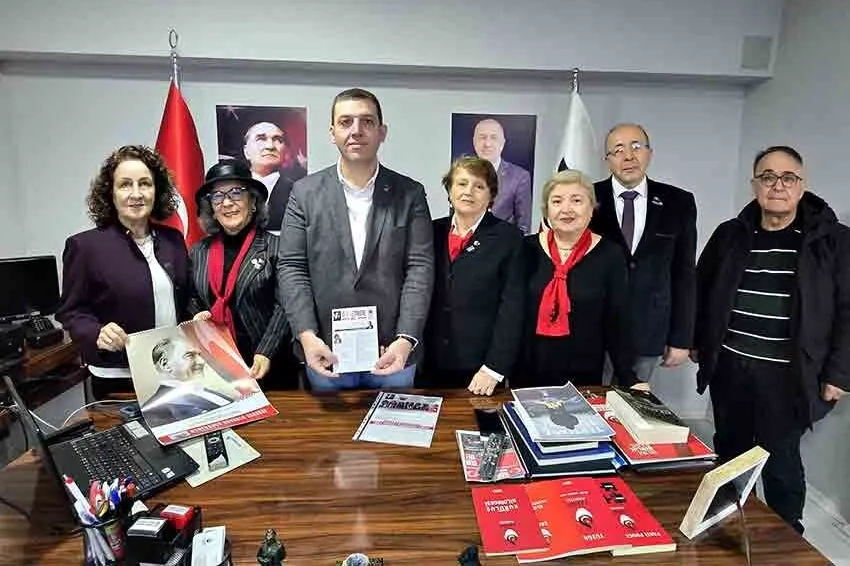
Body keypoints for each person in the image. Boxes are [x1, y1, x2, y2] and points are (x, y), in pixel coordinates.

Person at [692, 145, 850, 534]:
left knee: (779, 459)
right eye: (767, 177)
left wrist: (840, 373)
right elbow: (701, 287)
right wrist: (698, 340)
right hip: (730, 366)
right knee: (730, 449)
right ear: (755, 185)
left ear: (801, 185)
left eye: (788, 177)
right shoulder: (730, 234)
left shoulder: (834, 240)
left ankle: (786, 535)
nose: (777, 185)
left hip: (788, 375)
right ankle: (727, 522)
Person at [280, 88, 434, 390]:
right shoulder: (304, 193)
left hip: (392, 354)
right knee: (325, 425)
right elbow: (291, 267)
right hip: (325, 353)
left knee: (393, 423)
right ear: (332, 132)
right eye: (345, 122)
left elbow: (420, 268)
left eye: (367, 121)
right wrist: (307, 335)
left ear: (382, 132)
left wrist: (405, 339)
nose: (356, 130)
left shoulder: (410, 193)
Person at [56, 145, 189, 399]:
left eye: (145, 184)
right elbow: (71, 312)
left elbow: (184, 298)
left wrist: (199, 317)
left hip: (174, 370)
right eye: (125, 184)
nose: (136, 194)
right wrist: (96, 332)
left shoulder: (173, 240)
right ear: (111, 192)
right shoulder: (85, 246)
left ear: (157, 190)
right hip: (118, 379)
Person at [589, 123, 696, 383]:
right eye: (618, 150)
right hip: (594, 330)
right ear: (607, 160)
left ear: (649, 153)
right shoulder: (587, 198)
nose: (628, 156)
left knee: (635, 403)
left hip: (649, 330)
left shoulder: (678, 202)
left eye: (636, 147)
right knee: (590, 402)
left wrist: (681, 338)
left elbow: (684, 274)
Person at [516, 170, 636, 388]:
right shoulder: (525, 249)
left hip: (583, 373)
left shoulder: (610, 255)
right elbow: (509, 314)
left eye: (576, 200)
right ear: (546, 210)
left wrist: (628, 376)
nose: (566, 209)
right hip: (527, 368)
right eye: (557, 201)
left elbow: (618, 320)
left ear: (591, 209)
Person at [189, 160, 298, 390]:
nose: (227, 202)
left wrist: (266, 351)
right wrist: (197, 314)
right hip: (217, 368)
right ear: (211, 208)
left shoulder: (277, 247)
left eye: (236, 192)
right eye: (218, 196)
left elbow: (286, 305)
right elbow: (191, 296)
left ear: (253, 201)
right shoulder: (198, 251)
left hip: (269, 369)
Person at [422, 156, 524, 395]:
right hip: (428, 363)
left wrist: (494, 368)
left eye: (479, 186)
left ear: (491, 196)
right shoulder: (430, 231)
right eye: (461, 183)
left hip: (480, 369)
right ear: (450, 191)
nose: (468, 191)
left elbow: (513, 308)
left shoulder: (508, 238)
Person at [141, 335, 242, 427]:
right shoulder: (154, 411)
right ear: (165, 365)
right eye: (189, 356)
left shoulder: (203, 390)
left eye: (199, 355)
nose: (201, 362)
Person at [243, 121, 307, 232]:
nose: (270, 146)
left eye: (278, 140)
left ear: (285, 151)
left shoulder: (299, 193)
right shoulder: (232, 190)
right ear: (246, 151)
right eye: (261, 139)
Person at [472, 118, 532, 234]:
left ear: (502, 143)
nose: (487, 144)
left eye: (493, 138)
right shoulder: (463, 174)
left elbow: (523, 226)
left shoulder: (520, 177)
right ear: (474, 142)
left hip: (504, 243)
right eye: (482, 137)